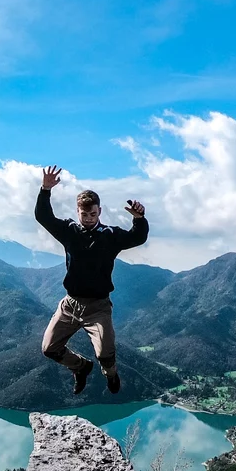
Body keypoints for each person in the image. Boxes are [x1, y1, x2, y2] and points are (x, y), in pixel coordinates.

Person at [34, 164, 148, 394]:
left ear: (100, 211)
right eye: (84, 214)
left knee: (105, 353)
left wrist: (139, 219)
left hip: (98, 307)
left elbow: (137, 237)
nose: (88, 218)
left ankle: (111, 374)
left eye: (92, 214)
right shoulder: (69, 231)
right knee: (49, 348)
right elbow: (43, 217)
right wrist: (45, 190)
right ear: (77, 212)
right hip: (70, 304)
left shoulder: (110, 236)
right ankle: (81, 367)